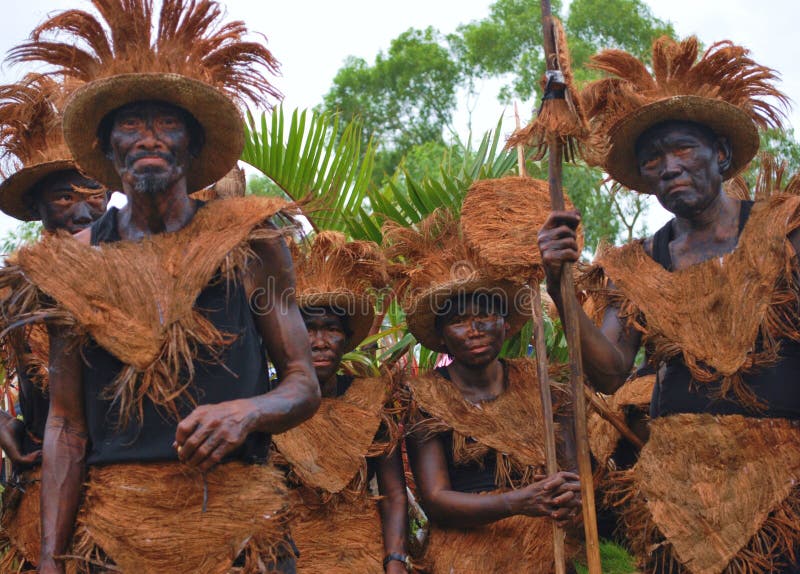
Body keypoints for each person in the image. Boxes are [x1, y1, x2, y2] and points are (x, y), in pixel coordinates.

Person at [2, 1, 320, 572]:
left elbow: (302, 382)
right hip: (117, 531)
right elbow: (66, 424)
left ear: (194, 146)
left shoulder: (250, 244)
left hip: (237, 530)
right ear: (106, 147)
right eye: (130, 123)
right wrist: (51, 558)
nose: (148, 137)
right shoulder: (72, 265)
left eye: (167, 123)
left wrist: (246, 412)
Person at [538, 36, 800, 573]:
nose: (668, 166)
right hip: (679, 494)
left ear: (721, 155)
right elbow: (610, 374)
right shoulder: (638, 263)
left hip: (784, 481)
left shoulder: (784, 232)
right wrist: (558, 284)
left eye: (683, 148)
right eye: (653, 158)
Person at [387, 209, 582, 573]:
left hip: (544, 552)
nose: (474, 329)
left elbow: (573, 477)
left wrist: (571, 497)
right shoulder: (426, 399)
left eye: (484, 317)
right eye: (459, 321)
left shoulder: (542, 386)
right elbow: (436, 500)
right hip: (465, 555)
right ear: (443, 336)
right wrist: (518, 501)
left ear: (505, 325)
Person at [0, 73, 108, 571]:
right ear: (37, 207)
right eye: (65, 198)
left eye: (95, 194)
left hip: (137, 493)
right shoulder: (13, 288)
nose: (83, 212)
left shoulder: (146, 272)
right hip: (41, 494)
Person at [271, 231, 410, 573]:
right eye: (308, 329)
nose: (319, 342)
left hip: (361, 553)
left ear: (346, 337)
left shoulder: (371, 399)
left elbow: (394, 494)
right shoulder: (265, 403)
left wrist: (394, 560)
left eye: (330, 328)